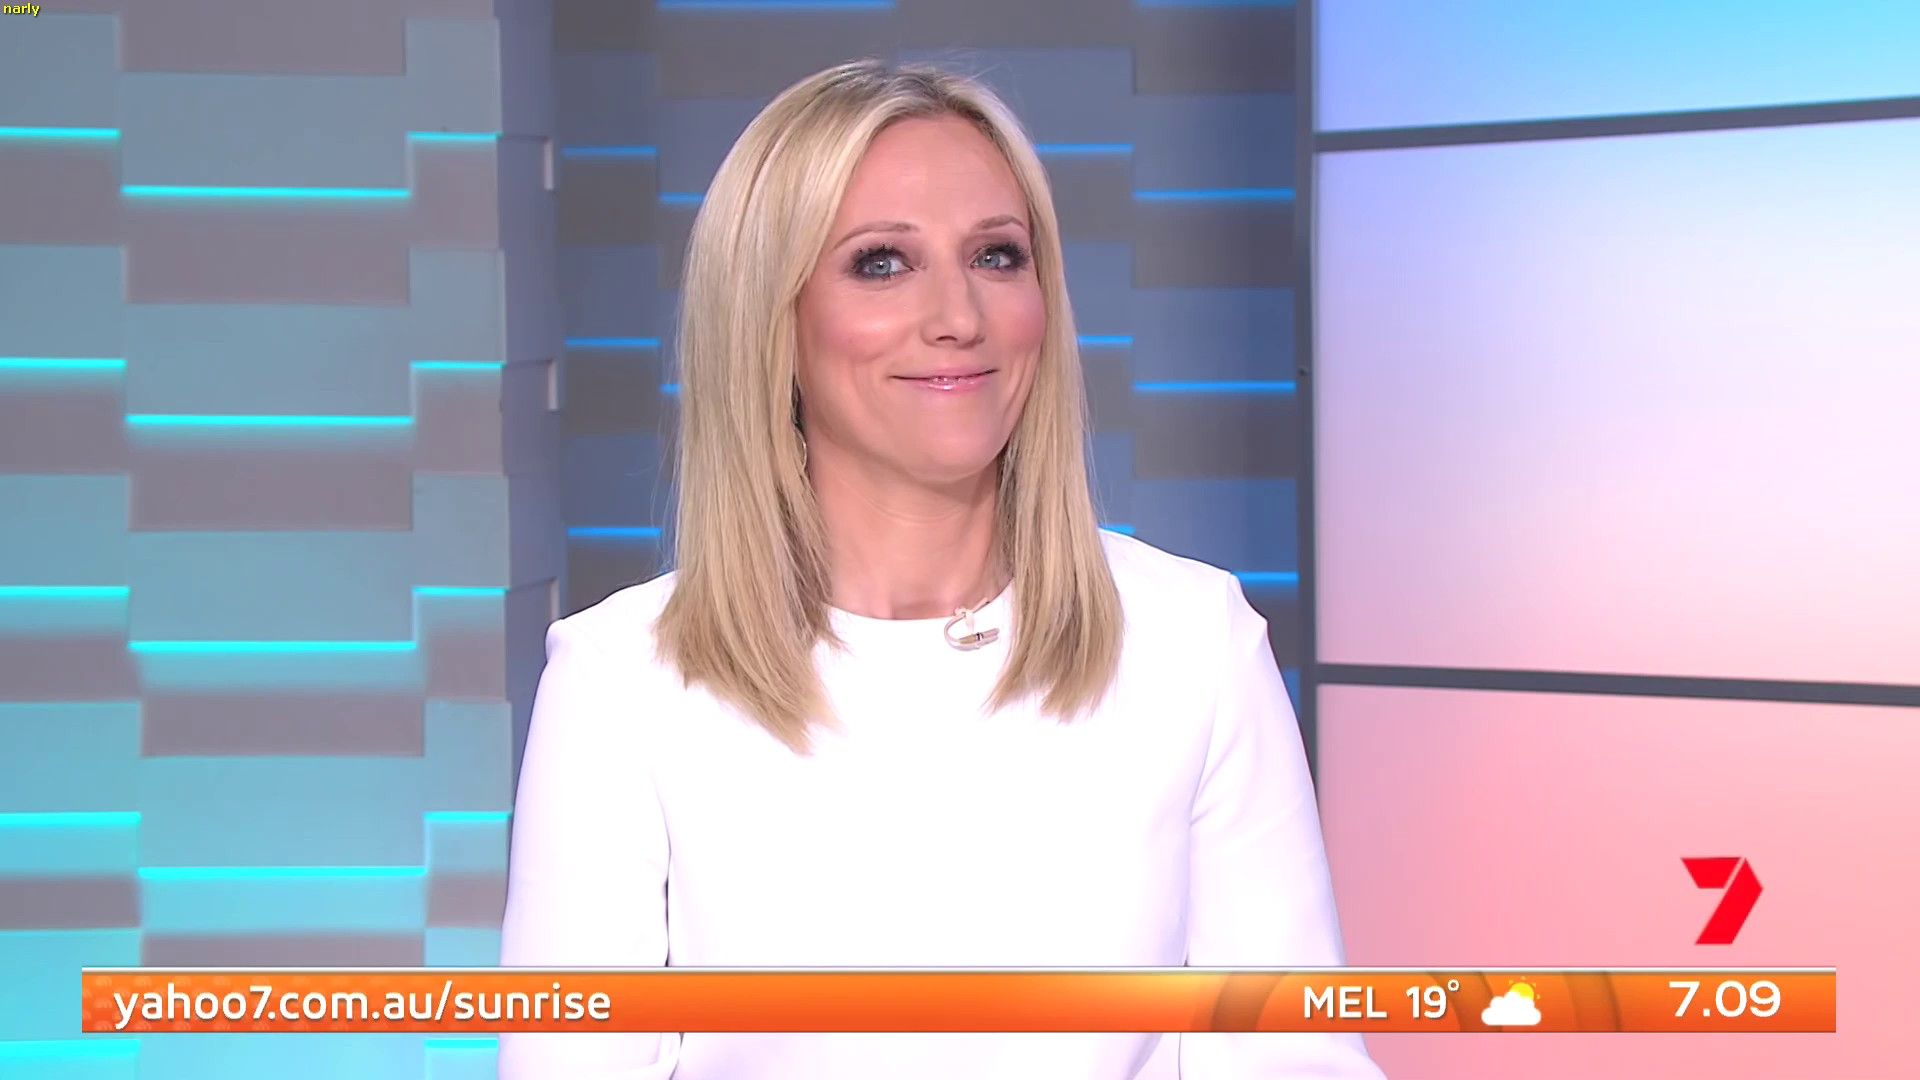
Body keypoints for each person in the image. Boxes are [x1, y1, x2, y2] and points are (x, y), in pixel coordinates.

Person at [498, 58, 1382, 1079]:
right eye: (882, 263)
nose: (959, 315)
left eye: (997, 256)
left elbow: (1294, 1061)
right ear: (771, 317)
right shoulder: (623, 681)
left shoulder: (1192, 641)